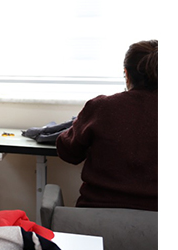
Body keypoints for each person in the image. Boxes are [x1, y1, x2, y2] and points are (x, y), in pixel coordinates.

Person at [55, 39, 158, 211]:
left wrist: (79, 127)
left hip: (96, 217)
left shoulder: (103, 107)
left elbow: (69, 152)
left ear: (127, 74)